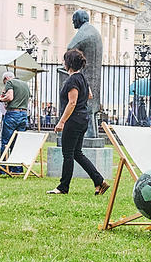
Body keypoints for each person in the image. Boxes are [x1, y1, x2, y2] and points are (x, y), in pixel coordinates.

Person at [46, 49, 109, 196]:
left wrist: (61, 122)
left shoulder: (73, 79)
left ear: (69, 63)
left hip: (73, 120)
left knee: (68, 154)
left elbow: (72, 102)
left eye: (64, 60)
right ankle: (99, 181)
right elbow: (90, 95)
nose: (63, 63)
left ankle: (63, 187)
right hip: (83, 119)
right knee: (77, 153)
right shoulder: (82, 78)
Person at [0, 71, 31, 154]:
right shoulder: (25, 84)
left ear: (5, 79)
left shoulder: (10, 82)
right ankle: (16, 166)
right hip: (24, 115)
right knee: (17, 143)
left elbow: (10, 97)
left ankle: (3, 165)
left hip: (13, 114)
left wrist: (0, 99)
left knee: (6, 142)